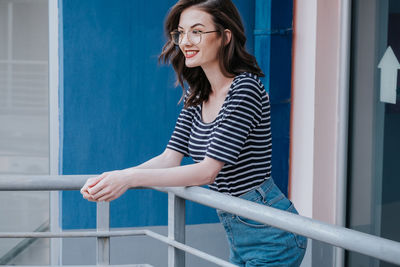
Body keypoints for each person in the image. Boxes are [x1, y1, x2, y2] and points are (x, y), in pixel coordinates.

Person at [81, 0, 307, 265]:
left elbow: (207, 171)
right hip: (238, 228)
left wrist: (129, 179)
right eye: (181, 33)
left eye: (197, 31)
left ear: (225, 36)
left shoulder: (244, 89)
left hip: (270, 231)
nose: (186, 41)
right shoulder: (197, 92)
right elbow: (169, 158)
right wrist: (115, 176)